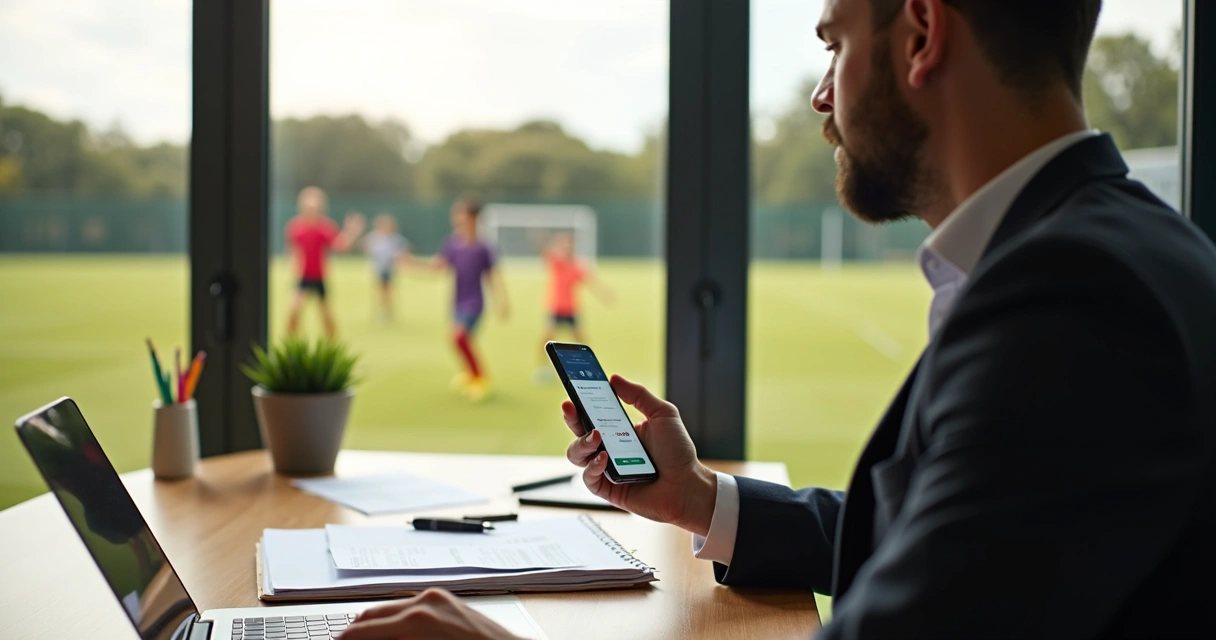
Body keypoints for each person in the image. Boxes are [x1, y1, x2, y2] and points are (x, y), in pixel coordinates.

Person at [338, 0, 1216, 638]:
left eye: (833, 44)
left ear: (920, 33)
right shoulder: (1105, 252)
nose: (820, 96)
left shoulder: (1077, 298)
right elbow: (958, 543)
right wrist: (701, 500)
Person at [431, 194, 509, 402]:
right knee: (458, 340)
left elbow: (493, 276)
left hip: (474, 303)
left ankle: (480, 377)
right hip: (457, 302)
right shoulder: (453, 244)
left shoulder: (484, 247)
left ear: (473, 217)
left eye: (461, 214)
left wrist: (502, 301)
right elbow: (438, 267)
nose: (457, 218)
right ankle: (471, 374)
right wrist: (409, 263)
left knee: (459, 337)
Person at [285, 187, 365, 338]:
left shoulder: (325, 227)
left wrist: (352, 231)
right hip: (303, 277)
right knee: (294, 310)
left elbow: (340, 246)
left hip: (319, 276)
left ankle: (332, 345)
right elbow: (293, 249)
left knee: (326, 315)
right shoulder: (296, 227)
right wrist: (293, 265)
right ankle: (291, 344)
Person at [534, 231, 613, 381]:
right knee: (547, 338)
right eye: (564, 244)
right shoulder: (556, 261)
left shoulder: (577, 265)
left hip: (571, 308)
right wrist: (539, 233)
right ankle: (542, 368)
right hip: (555, 307)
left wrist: (604, 293)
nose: (567, 247)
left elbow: (591, 282)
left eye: (569, 244)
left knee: (581, 340)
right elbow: (542, 250)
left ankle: (587, 367)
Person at [363, 213, 411, 323]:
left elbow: (404, 248)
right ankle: (381, 310)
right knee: (379, 290)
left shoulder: (395, 238)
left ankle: (387, 311)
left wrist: (399, 256)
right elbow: (366, 245)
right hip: (378, 268)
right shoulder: (374, 237)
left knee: (388, 291)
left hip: (389, 268)